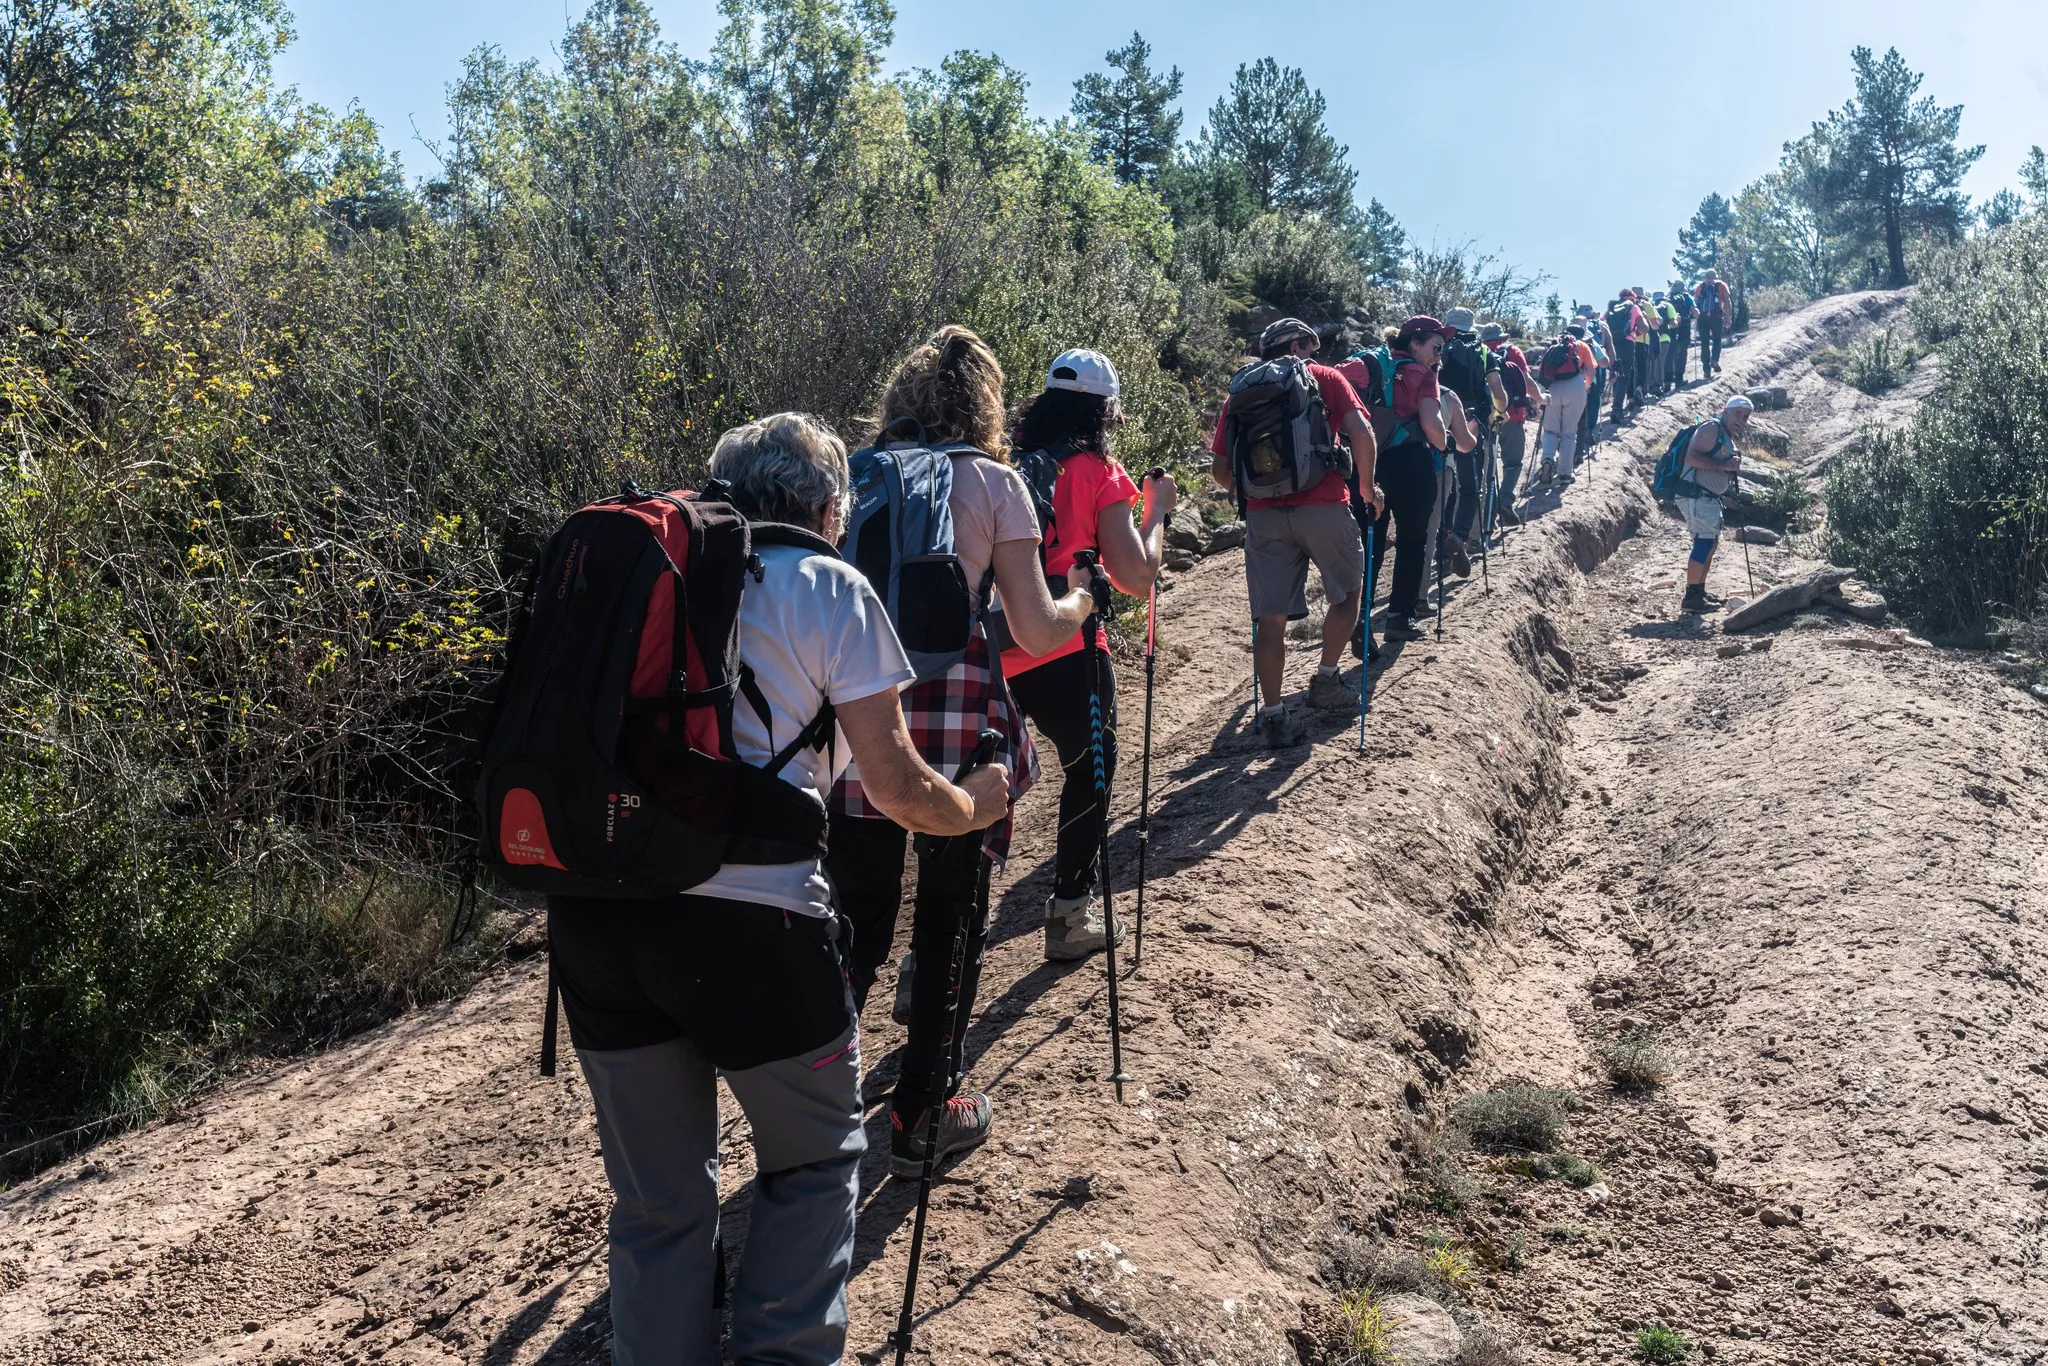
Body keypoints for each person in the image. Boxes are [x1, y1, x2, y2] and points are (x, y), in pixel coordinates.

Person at [547, 412, 1012, 1366]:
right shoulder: (832, 586)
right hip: (755, 929)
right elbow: (894, 788)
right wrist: (977, 805)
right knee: (814, 1161)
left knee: (658, 1203)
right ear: (831, 506)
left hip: (597, 924)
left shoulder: (648, 582)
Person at [824, 326, 1100, 1180]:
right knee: (951, 916)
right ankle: (922, 1111)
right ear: (985, 402)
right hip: (960, 721)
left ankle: (813, 1108)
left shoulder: (859, 475)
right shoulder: (994, 482)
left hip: (862, 721)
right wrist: (1083, 602)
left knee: (856, 922)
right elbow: (1031, 626)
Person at [1004, 349, 1175, 959]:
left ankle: (933, 955)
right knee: (1090, 772)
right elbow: (1135, 576)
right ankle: (1070, 916)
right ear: (1104, 409)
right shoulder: (1099, 472)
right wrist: (1155, 512)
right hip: (1068, 647)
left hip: (996, 648)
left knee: (976, 781)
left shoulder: (1004, 463)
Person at [1210, 317, 1381, 747]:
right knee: (1347, 594)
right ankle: (1325, 679)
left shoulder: (1240, 393)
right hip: (1324, 506)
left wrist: (1251, 494)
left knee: (1269, 620)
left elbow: (1219, 469)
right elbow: (1362, 433)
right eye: (1312, 344)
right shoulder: (1325, 377)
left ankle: (1272, 714)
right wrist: (1366, 488)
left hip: (1265, 518)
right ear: (1302, 344)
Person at [1358, 316, 1454, 643]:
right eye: (1436, 347)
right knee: (1412, 542)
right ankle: (1400, 618)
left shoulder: (1371, 365)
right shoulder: (1423, 375)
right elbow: (1431, 425)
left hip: (1369, 461)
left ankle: (1358, 618)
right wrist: (1447, 442)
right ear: (1414, 342)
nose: (1439, 355)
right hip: (1411, 463)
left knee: (1370, 543)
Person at [1435, 307, 1509, 576]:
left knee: (1443, 488)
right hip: (1472, 422)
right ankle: (1460, 537)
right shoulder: (1483, 350)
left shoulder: (1439, 346)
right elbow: (1497, 388)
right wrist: (1500, 411)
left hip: (1439, 420)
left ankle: (1439, 547)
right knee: (1469, 487)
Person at [1672, 395, 1754, 613]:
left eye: (1745, 417)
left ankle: (1698, 592)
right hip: (1696, 495)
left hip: (1706, 498)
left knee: (1710, 543)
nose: (1741, 420)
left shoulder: (1723, 433)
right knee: (1703, 544)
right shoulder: (1712, 429)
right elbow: (1692, 458)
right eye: (1738, 414)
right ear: (1725, 410)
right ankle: (1691, 598)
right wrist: (1725, 465)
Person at [1478, 322, 1533, 529]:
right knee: (1513, 463)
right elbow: (1526, 380)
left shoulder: (1479, 354)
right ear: (1502, 338)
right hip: (1513, 416)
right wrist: (1540, 399)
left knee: (1489, 469)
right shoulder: (1513, 352)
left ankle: (1487, 517)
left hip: (1487, 418)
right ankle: (1506, 500)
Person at [1535, 323, 1596, 484]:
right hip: (1575, 386)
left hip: (1553, 388)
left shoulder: (1553, 345)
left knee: (1550, 431)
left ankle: (1547, 460)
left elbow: (1543, 371)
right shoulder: (1581, 345)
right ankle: (1565, 473)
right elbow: (1591, 370)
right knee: (1569, 432)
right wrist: (1586, 386)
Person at [1605, 292, 1647, 423]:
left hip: (1611, 344)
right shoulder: (1633, 307)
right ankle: (1617, 409)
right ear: (1632, 298)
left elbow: (1602, 323)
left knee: (1615, 372)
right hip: (1627, 343)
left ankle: (1615, 405)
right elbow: (1644, 328)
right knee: (1624, 375)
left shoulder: (1611, 308)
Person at [1695, 270, 1731, 378]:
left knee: (1704, 343)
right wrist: (1729, 317)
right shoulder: (1721, 285)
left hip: (1702, 318)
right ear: (1715, 277)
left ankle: (1706, 369)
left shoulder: (1699, 287)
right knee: (1717, 339)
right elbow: (1727, 302)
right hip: (1716, 316)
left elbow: (1695, 304)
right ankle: (1714, 360)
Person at [1667, 280, 1696, 388]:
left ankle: (1668, 380)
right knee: (1682, 352)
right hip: (1684, 327)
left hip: (1671, 328)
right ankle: (1679, 379)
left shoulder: (1667, 298)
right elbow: (1695, 311)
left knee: (1671, 352)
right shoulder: (1686, 296)